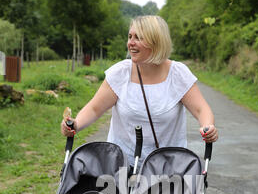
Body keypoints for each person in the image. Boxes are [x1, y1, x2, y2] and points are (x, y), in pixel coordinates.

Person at [61, 15, 218, 167]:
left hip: (168, 167)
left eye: (138, 38)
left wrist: (207, 127)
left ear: (156, 42)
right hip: (121, 166)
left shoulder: (178, 74)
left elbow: (201, 109)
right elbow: (95, 109)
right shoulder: (120, 73)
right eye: (130, 37)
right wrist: (75, 125)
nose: (131, 43)